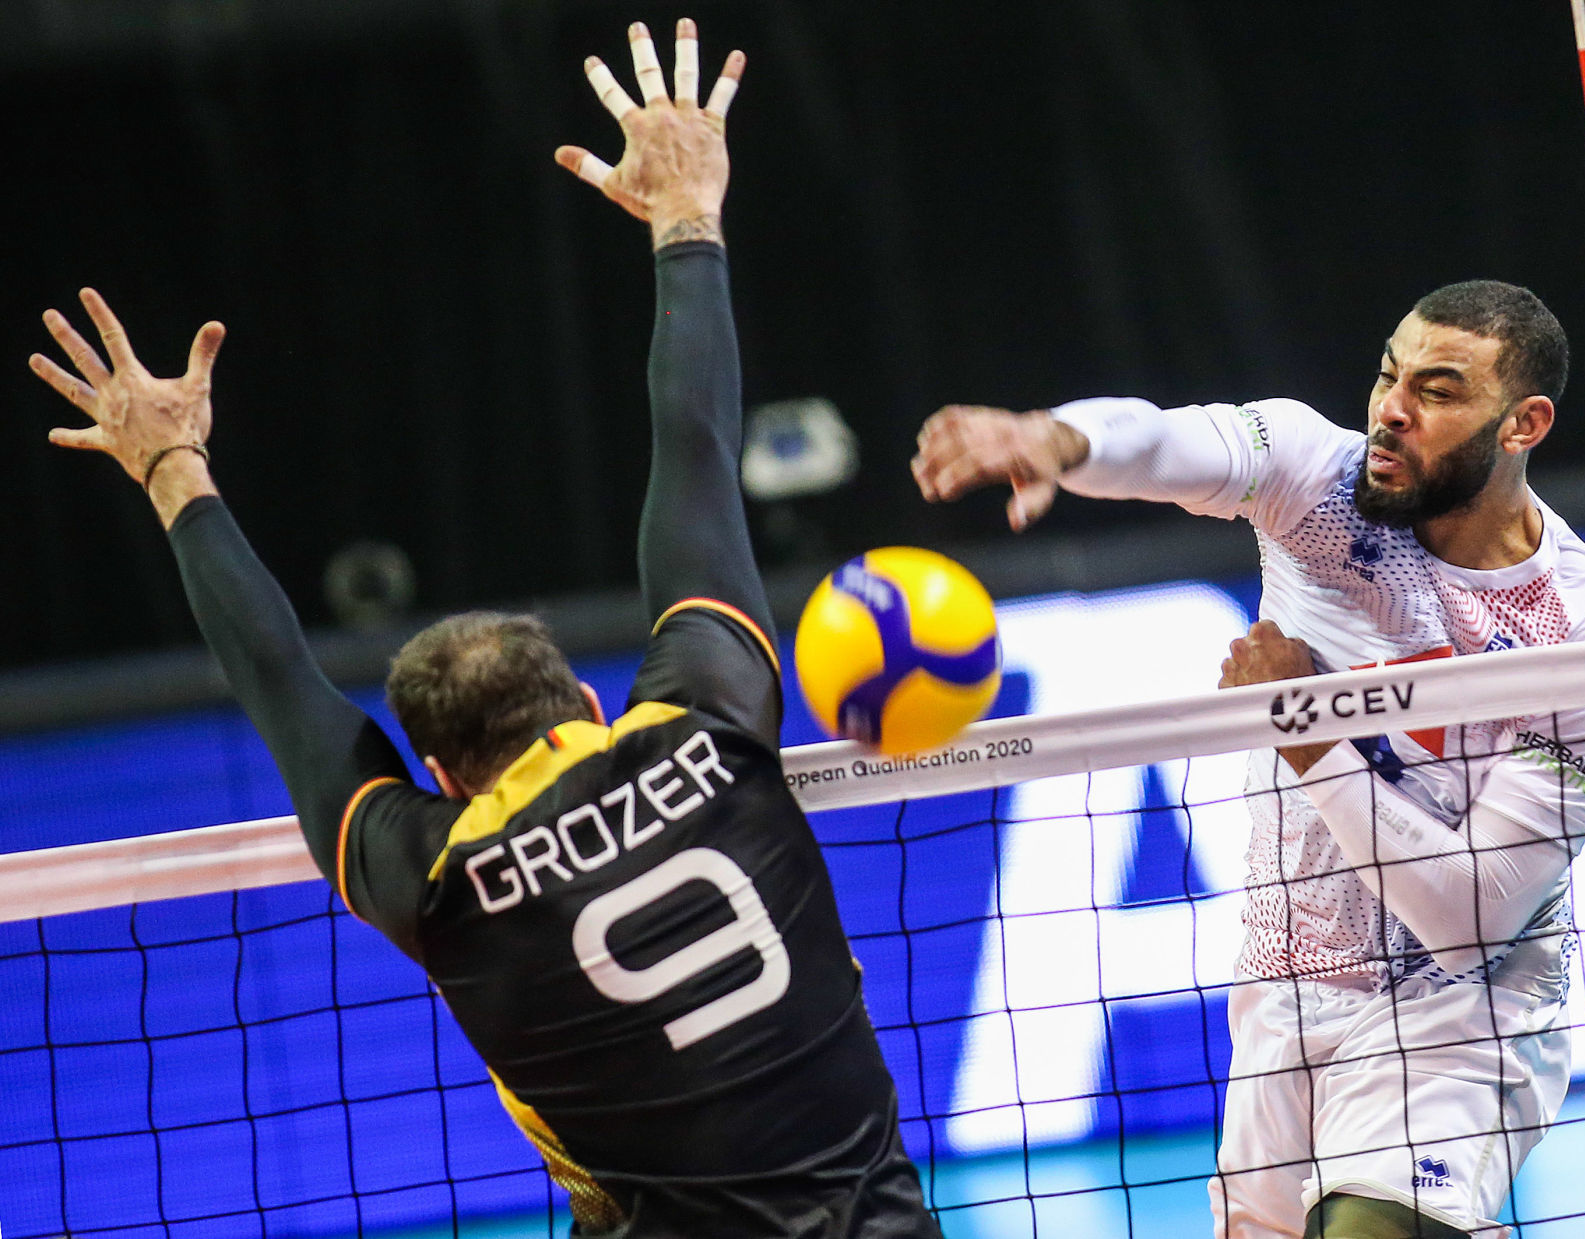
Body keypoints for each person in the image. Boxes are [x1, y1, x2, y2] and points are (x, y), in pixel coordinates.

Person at [29, 20, 941, 1238]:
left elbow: (278, 685)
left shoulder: (442, 881)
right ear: (585, 701)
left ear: (445, 775)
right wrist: (689, 221)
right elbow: (699, 453)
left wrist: (171, 470)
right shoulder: (712, 731)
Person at [911, 282, 1585, 1239]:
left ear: (1523, 424)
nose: (1391, 407)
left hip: (1459, 1015)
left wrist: (1308, 734)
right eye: (1389, 373)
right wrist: (1056, 439)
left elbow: (1470, 919)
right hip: (1283, 994)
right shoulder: (1314, 474)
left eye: (1436, 389)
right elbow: (1167, 440)